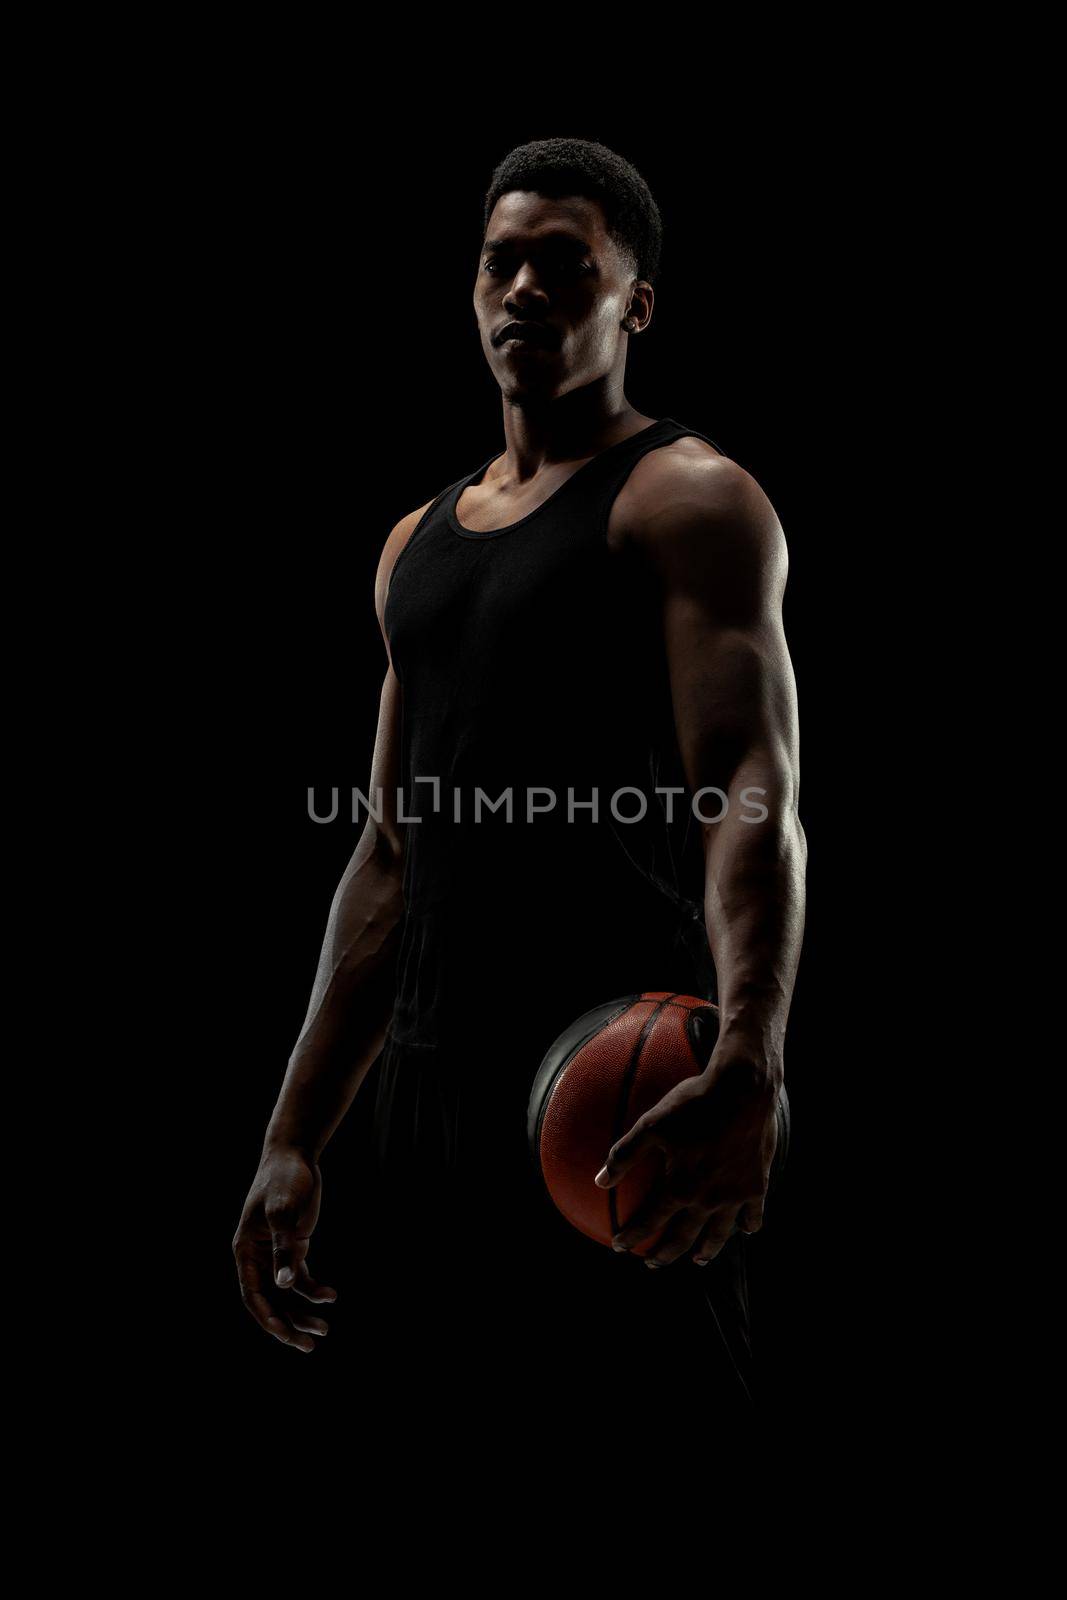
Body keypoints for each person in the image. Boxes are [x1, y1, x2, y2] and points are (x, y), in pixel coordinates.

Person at [232, 137, 806, 1409]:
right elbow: (388, 861)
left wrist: (750, 1058)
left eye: (566, 265)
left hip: (618, 1090)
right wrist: (293, 1132)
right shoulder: (411, 548)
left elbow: (751, 803)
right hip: (427, 1109)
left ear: (632, 302)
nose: (524, 291)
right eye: (502, 263)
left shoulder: (686, 501)